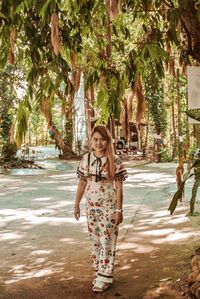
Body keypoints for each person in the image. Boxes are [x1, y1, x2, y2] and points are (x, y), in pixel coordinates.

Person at [74, 125, 127, 292]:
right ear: (91, 141)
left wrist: (119, 210)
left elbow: (119, 187)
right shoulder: (86, 159)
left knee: (107, 241)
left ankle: (104, 276)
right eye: (96, 139)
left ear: (108, 141)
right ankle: (101, 273)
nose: (99, 142)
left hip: (109, 208)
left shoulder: (115, 160)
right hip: (91, 207)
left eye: (102, 139)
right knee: (95, 240)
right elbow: (82, 183)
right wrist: (76, 204)